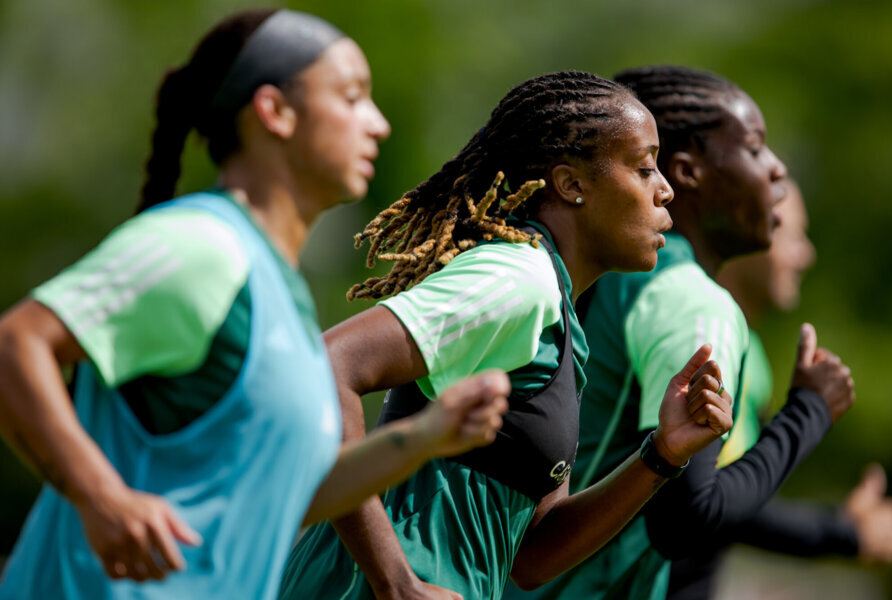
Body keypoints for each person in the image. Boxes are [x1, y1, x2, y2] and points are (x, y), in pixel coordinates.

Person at [0, 9, 512, 599]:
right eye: (350, 98)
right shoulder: (203, 246)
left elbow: (290, 493)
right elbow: (20, 343)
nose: (378, 124)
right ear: (274, 111)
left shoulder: (278, 290)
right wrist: (102, 496)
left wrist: (425, 436)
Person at [278, 70, 734, 600]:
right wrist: (395, 580)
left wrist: (661, 454)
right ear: (571, 184)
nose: (666, 189)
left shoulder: (557, 317)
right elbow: (329, 365)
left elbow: (534, 557)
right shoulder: (518, 278)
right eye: (644, 167)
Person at [503, 65, 856, 600]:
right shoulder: (691, 301)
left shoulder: (620, 276)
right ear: (689, 172)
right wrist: (808, 413)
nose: (778, 170)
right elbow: (686, 519)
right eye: (756, 148)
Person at [696, 178, 892, 597]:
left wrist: (839, 521)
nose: (806, 255)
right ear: (739, 231)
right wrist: (842, 533)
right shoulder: (705, 342)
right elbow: (703, 504)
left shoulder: (751, 353)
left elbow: (736, 495)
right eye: (789, 235)